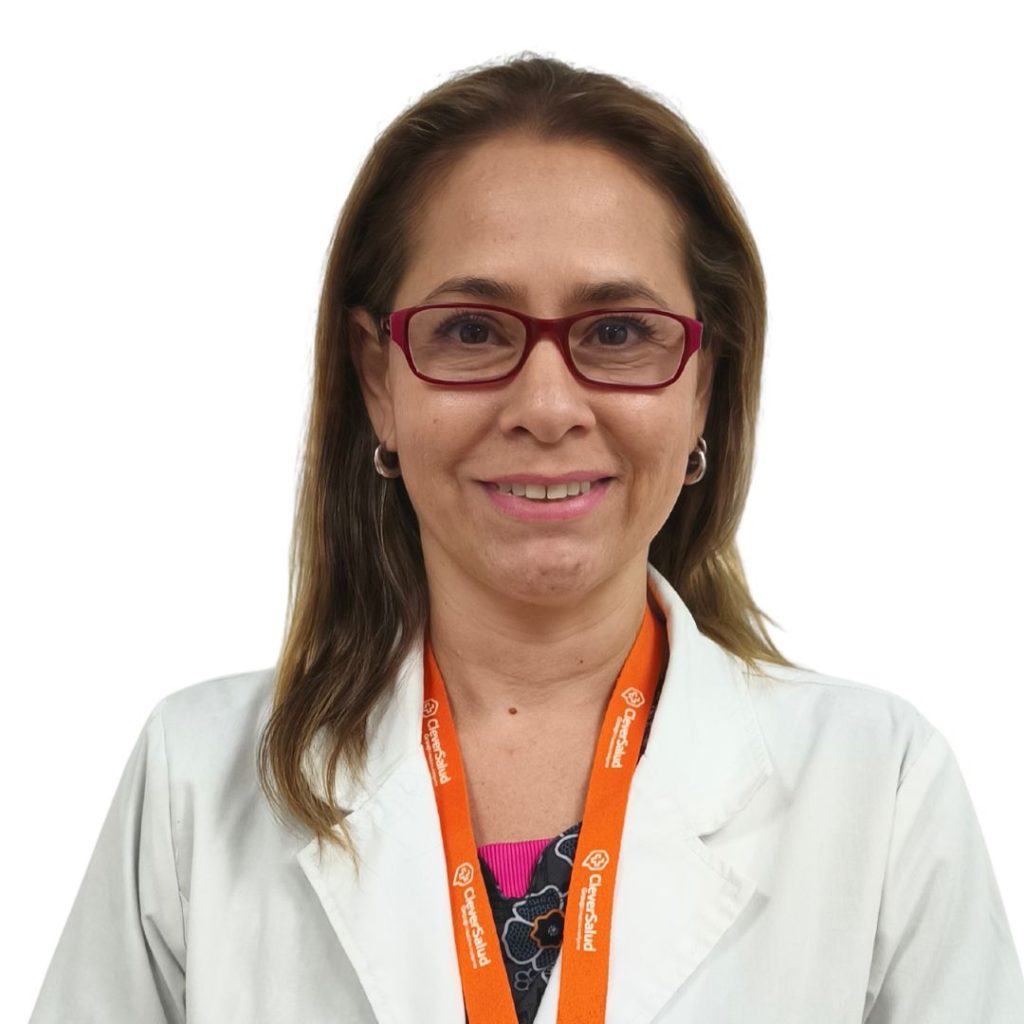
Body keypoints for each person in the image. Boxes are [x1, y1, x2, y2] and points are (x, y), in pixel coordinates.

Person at [30, 53, 1024, 1024]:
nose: (546, 408)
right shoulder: (196, 782)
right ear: (378, 379)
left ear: (703, 383)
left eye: (618, 332)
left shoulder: (880, 788)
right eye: (471, 330)